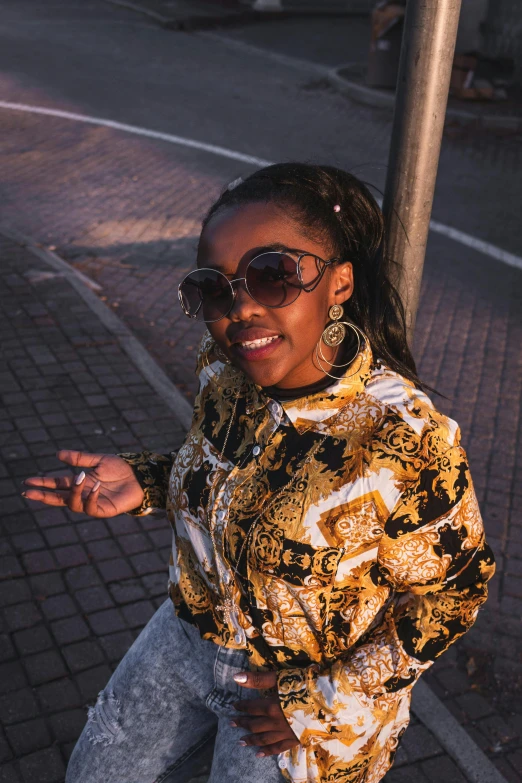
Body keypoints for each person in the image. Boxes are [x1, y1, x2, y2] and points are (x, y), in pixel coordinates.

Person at [23, 163, 495, 783]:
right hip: (185, 638)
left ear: (340, 282)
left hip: (294, 695)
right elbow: (235, 482)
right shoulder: (224, 377)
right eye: (214, 290)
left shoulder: (404, 443)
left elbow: (455, 592)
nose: (240, 307)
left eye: (272, 275)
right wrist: (150, 481)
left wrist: (321, 699)